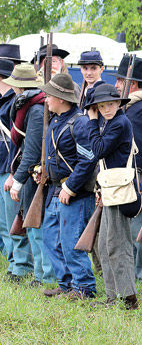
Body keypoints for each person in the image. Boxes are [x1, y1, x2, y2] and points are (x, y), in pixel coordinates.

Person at [39, 73, 97, 300]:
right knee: (50, 237)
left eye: (49, 96)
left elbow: (88, 159)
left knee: (72, 241)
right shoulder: (56, 121)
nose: (46, 100)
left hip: (74, 192)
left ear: (62, 99)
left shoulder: (79, 123)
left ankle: (84, 287)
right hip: (55, 188)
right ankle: (67, 284)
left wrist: (71, 187)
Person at [85, 83, 138, 310]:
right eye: (102, 106)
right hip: (110, 187)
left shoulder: (118, 123)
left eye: (111, 104)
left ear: (118, 104)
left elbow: (97, 150)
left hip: (119, 189)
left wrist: (90, 122)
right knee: (106, 243)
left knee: (117, 244)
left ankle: (128, 299)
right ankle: (112, 296)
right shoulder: (110, 122)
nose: (107, 109)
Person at [5, 63, 55, 285]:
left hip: (36, 174)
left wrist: (17, 181)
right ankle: (40, 274)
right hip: (31, 172)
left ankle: (44, 276)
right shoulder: (31, 105)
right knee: (32, 225)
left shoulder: (35, 109)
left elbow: (33, 150)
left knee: (36, 226)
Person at [112, 55, 142, 280]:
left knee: (141, 232)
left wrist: (141, 182)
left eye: (120, 81)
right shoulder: (132, 108)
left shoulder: (141, 110)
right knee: (132, 231)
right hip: (131, 179)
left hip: (139, 181)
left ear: (131, 83)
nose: (116, 85)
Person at [0, 54, 34, 283]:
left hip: (12, 166)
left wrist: (15, 173)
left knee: (16, 220)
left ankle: (22, 266)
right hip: (3, 164)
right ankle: (13, 263)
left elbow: (18, 141)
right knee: (5, 222)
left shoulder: (16, 102)